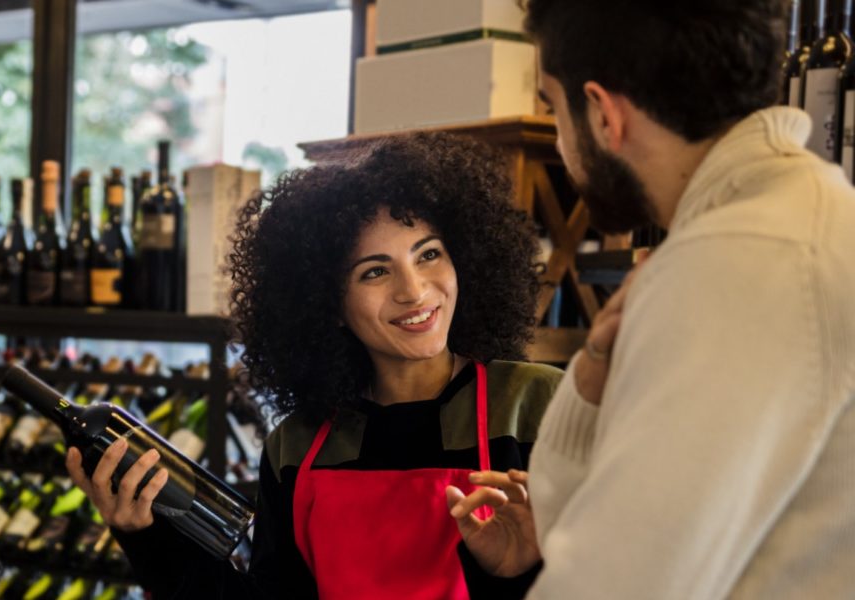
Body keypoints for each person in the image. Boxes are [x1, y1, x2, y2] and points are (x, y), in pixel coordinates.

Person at [447, 1, 855, 598]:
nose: (560, 141)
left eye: (553, 109)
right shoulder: (797, 221)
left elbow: (619, 582)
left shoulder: (741, 260)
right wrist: (588, 383)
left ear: (605, 114)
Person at [64, 132, 561, 599]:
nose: (414, 290)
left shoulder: (536, 408)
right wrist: (147, 537)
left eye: (428, 254)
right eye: (374, 271)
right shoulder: (298, 446)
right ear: (328, 306)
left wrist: (518, 573)